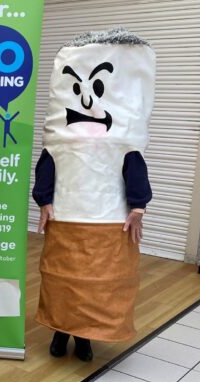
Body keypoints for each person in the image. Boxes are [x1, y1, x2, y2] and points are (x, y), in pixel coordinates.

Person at [32, 28, 154, 361]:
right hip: (66, 216)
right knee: (63, 280)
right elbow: (49, 163)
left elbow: (133, 165)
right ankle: (61, 331)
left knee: (98, 282)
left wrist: (137, 207)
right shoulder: (61, 139)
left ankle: (85, 336)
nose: (87, 101)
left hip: (109, 219)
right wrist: (44, 199)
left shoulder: (121, 140)